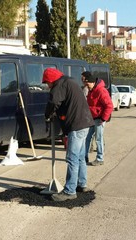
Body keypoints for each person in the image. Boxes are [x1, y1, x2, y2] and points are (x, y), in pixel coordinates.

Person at [42, 68, 94, 201]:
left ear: (51, 80)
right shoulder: (70, 82)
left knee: (72, 158)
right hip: (85, 123)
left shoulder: (60, 85)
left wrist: (48, 115)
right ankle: (82, 184)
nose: (47, 86)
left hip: (77, 125)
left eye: (47, 82)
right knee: (80, 156)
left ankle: (70, 191)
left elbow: (54, 102)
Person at [84, 73, 113, 166]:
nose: (86, 85)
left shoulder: (101, 91)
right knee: (87, 138)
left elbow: (109, 105)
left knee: (98, 139)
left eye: (87, 83)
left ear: (92, 82)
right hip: (91, 118)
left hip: (99, 119)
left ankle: (100, 158)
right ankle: (84, 157)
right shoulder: (91, 90)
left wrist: (103, 118)